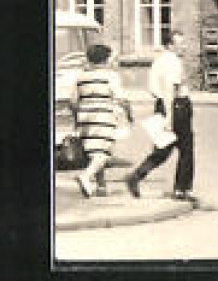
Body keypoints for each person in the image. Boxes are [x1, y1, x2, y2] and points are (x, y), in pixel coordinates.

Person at [126, 30, 195, 201]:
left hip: (164, 106)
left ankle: (136, 176)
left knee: (163, 149)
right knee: (186, 150)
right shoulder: (173, 62)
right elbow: (169, 90)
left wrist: (163, 110)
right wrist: (170, 117)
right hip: (176, 106)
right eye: (180, 44)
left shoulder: (158, 61)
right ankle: (182, 189)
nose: (184, 47)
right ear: (170, 45)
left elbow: (152, 89)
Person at [71, 42, 133, 199]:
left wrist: (77, 118)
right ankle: (86, 176)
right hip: (103, 117)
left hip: (84, 118)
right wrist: (129, 113)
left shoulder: (80, 77)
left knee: (94, 153)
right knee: (103, 153)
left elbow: (73, 102)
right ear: (105, 59)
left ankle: (101, 186)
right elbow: (121, 98)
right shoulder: (111, 76)